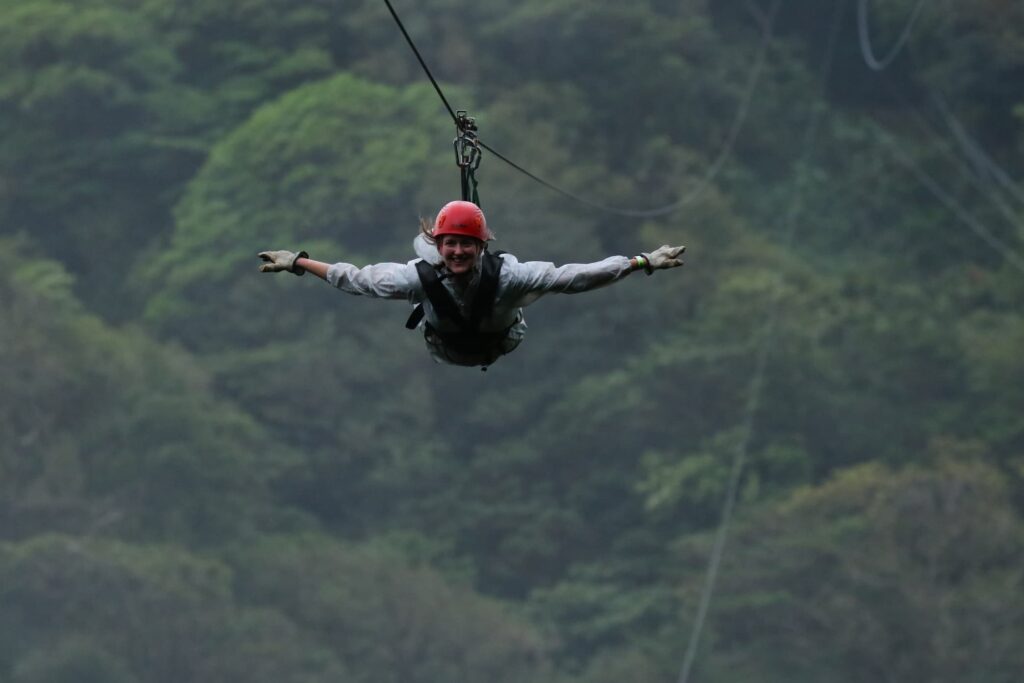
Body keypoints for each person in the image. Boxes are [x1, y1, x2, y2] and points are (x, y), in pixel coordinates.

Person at [258, 200, 685, 368]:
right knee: (419, 284)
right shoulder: (417, 278)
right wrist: (298, 262)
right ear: (439, 246)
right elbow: (354, 279)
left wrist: (639, 262)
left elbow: (574, 277)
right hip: (444, 346)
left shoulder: (511, 277)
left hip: (500, 340)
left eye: (466, 245)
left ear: (480, 247)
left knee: (514, 296)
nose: (458, 252)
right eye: (450, 245)